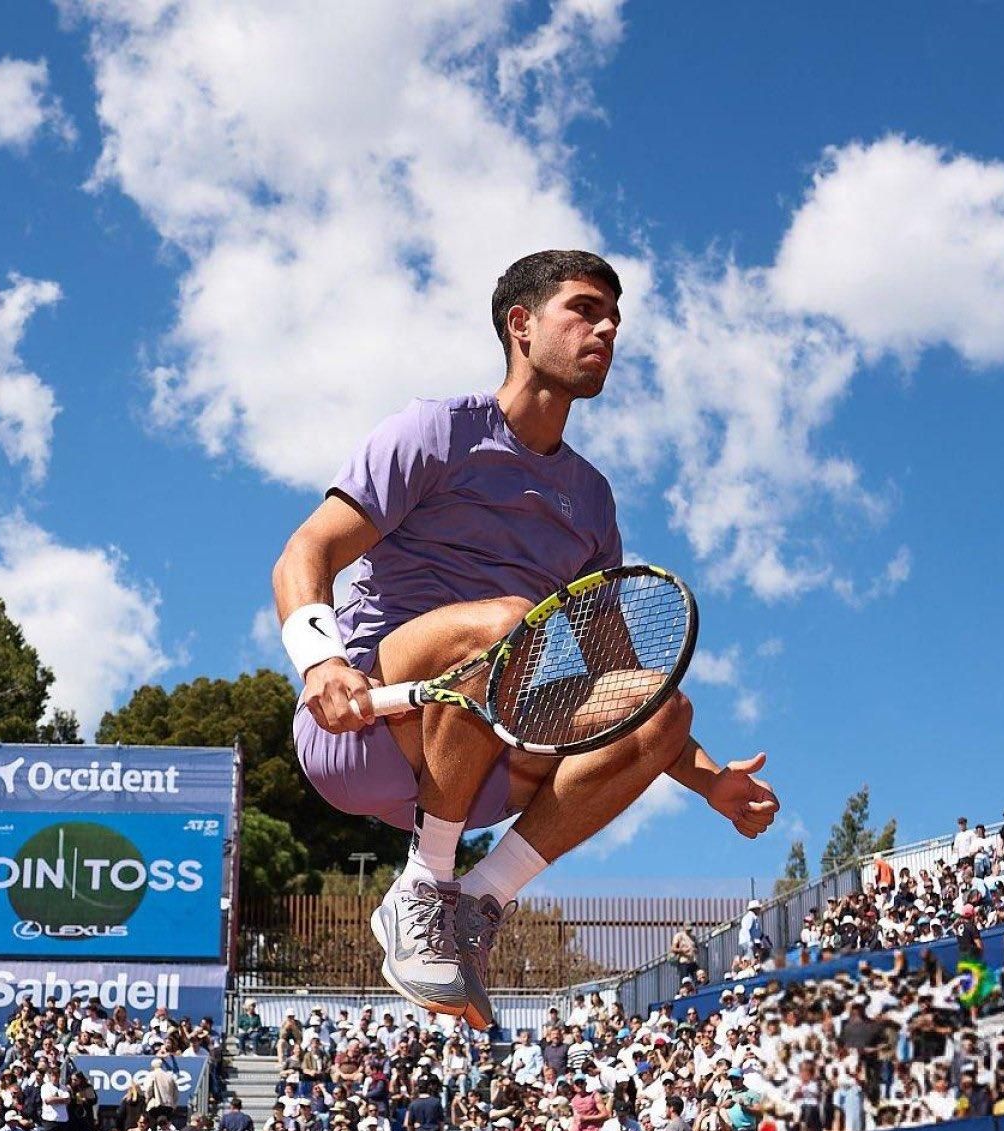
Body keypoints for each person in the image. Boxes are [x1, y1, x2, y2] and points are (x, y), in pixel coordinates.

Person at [274, 249, 778, 1027]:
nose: (606, 330)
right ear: (521, 324)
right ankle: (425, 882)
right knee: (508, 623)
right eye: (584, 310)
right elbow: (305, 552)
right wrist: (321, 663)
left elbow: (619, 685)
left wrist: (708, 780)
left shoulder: (591, 500)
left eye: (614, 319)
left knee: (661, 707)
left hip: (481, 768)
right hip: (366, 726)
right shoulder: (435, 431)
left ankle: (475, 901)